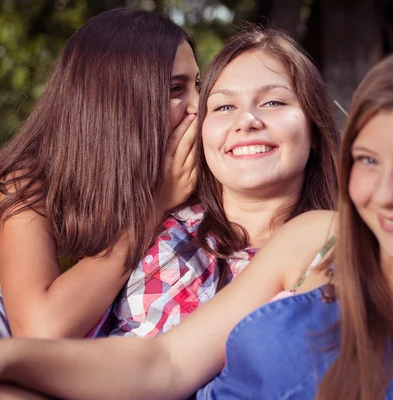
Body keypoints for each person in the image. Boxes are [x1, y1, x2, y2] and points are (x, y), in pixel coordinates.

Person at [0, 41, 393, 400]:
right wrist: (2, 357)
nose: (386, 192)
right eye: (368, 160)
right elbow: (163, 362)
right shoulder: (314, 238)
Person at [0, 8, 200, 345]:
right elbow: (42, 331)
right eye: (174, 89)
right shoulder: (30, 181)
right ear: (117, 102)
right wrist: (154, 207)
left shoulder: (180, 168)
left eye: (198, 84)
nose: (200, 105)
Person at [109, 26, 338, 337]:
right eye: (224, 107)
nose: (247, 121)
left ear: (314, 127)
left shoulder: (345, 246)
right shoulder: (146, 226)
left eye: (273, 102)